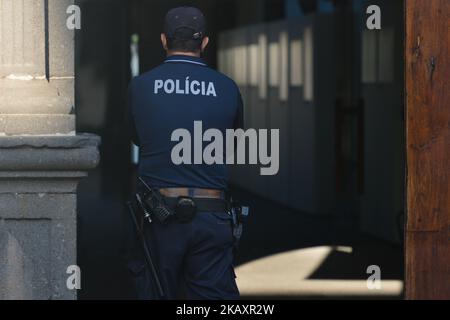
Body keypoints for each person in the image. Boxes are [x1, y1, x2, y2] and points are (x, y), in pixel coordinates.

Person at [125, 6, 244, 300]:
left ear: (164, 40)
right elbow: (234, 142)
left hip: (159, 216)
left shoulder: (140, 86)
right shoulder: (227, 88)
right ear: (204, 42)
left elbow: (137, 138)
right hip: (212, 215)